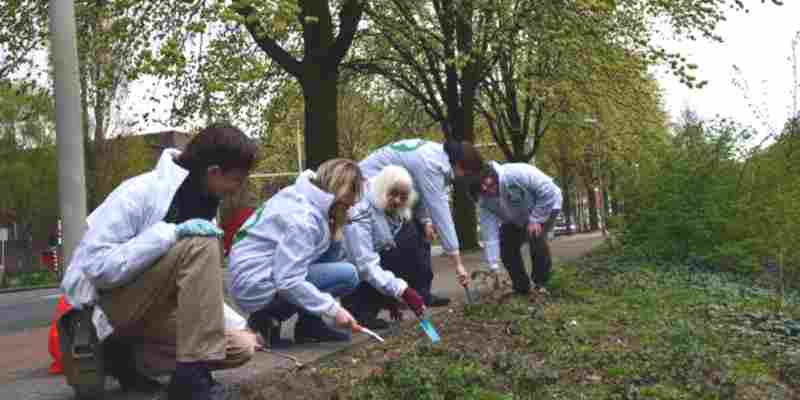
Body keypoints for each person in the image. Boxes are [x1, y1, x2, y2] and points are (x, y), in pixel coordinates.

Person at [60, 123, 258, 400]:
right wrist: (169, 233)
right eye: (237, 179)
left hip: (153, 316)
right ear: (214, 172)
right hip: (113, 307)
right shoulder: (137, 193)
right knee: (201, 244)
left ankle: (127, 357)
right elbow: (96, 268)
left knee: (241, 345)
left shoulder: (205, 206)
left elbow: (200, 292)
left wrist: (241, 325)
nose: (238, 188)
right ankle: (191, 380)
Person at [227, 159, 366, 347]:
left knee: (333, 247)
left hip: (254, 274)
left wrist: (337, 227)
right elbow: (288, 280)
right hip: (257, 284)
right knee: (348, 275)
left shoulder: (300, 195)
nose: (352, 206)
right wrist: (333, 309)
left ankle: (309, 324)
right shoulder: (304, 219)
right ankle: (267, 318)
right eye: (348, 202)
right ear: (338, 191)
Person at [358, 138, 484, 305]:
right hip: (371, 189)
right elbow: (440, 211)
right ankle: (381, 300)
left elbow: (419, 191)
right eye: (467, 173)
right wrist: (457, 261)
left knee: (421, 237)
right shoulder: (432, 164)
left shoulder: (435, 156)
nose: (465, 178)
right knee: (395, 243)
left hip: (394, 190)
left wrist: (425, 221)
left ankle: (421, 294)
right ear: (461, 165)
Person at [340, 165, 429, 329]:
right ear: (382, 189)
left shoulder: (391, 210)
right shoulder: (360, 210)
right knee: (356, 270)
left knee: (403, 248)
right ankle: (358, 312)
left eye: (403, 197)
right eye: (393, 194)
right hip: (346, 263)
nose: (397, 201)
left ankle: (372, 306)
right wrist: (402, 291)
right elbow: (364, 262)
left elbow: (384, 249)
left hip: (364, 262)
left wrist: (390, 297)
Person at [472, 161, 563, 294]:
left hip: (546, 204)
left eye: (491, 185)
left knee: (535, 235)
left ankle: (541, 283)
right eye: (485, 191)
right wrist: (493, 264)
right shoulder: (485, 201)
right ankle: (521, 287)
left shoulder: (516, 174)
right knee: (506, 244)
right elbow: (489, 232)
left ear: (493, 175)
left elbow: (548, 191)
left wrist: (536, 218)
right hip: (517, 216)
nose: (490, 191)